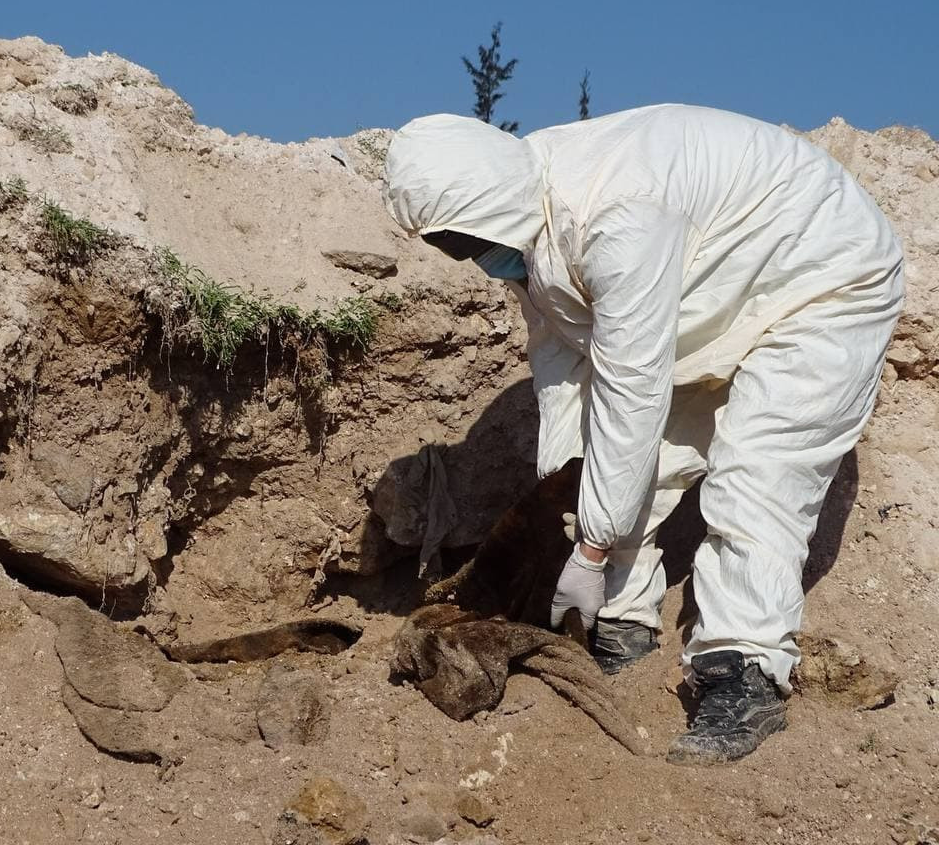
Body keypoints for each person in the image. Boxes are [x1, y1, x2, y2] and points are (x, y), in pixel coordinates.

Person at [383, 105, 904, 765]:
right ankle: (620, 621)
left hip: (823, 275)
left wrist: (593, 551)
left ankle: (743, 672)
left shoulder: (616, 211)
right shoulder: (525, 210)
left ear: (488, 206)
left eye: (465, 240)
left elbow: (632, 389)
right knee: (623, 465)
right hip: (716, 283)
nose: (471, 258)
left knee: (758, 474)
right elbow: (566, 372)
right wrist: (562, 514)